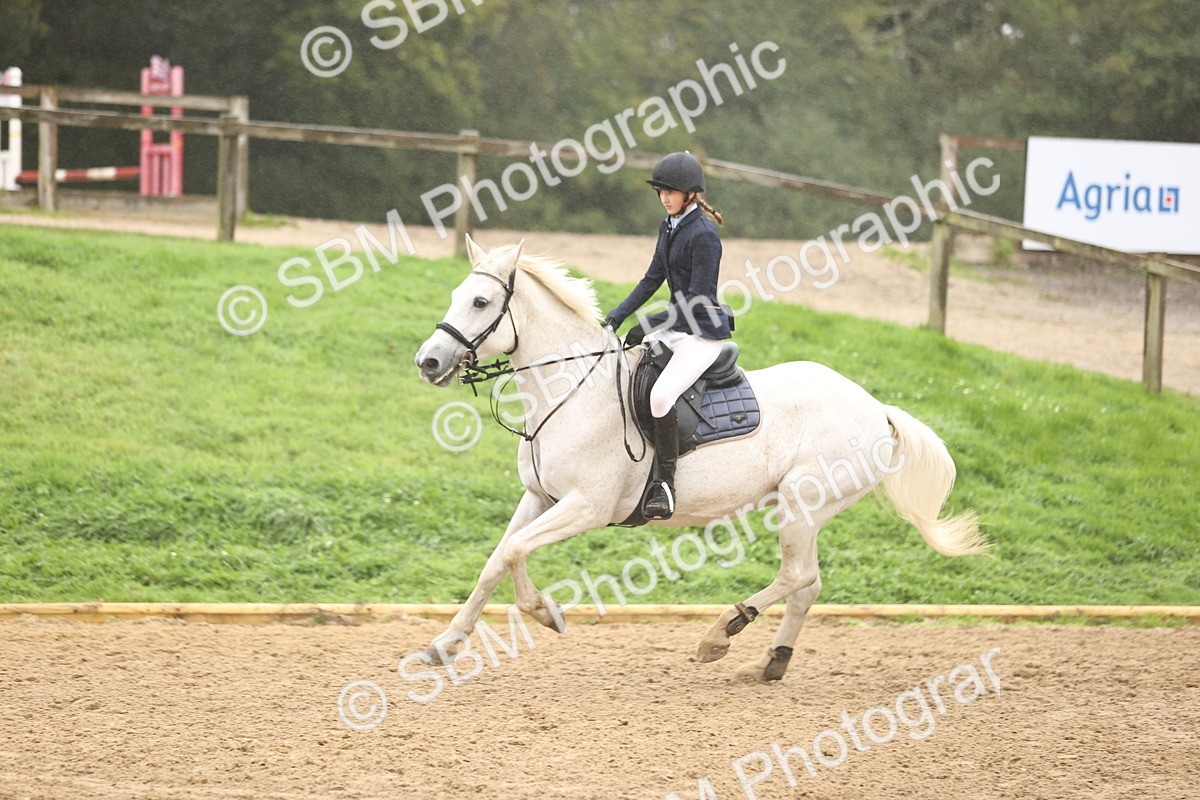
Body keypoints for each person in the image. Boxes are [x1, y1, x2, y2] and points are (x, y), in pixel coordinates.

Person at [603, 151, 731, 520]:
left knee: (660, 397)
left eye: (671, 192)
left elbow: (697, 298)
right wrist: (615, 317)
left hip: (702, 334)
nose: (664, 198)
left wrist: (649, 324)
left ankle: (664, 484)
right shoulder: (669, 226)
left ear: (690, 194)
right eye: (660, 191)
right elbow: (651, 280)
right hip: (677, 327)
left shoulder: (704, 236)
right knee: (627, 371)